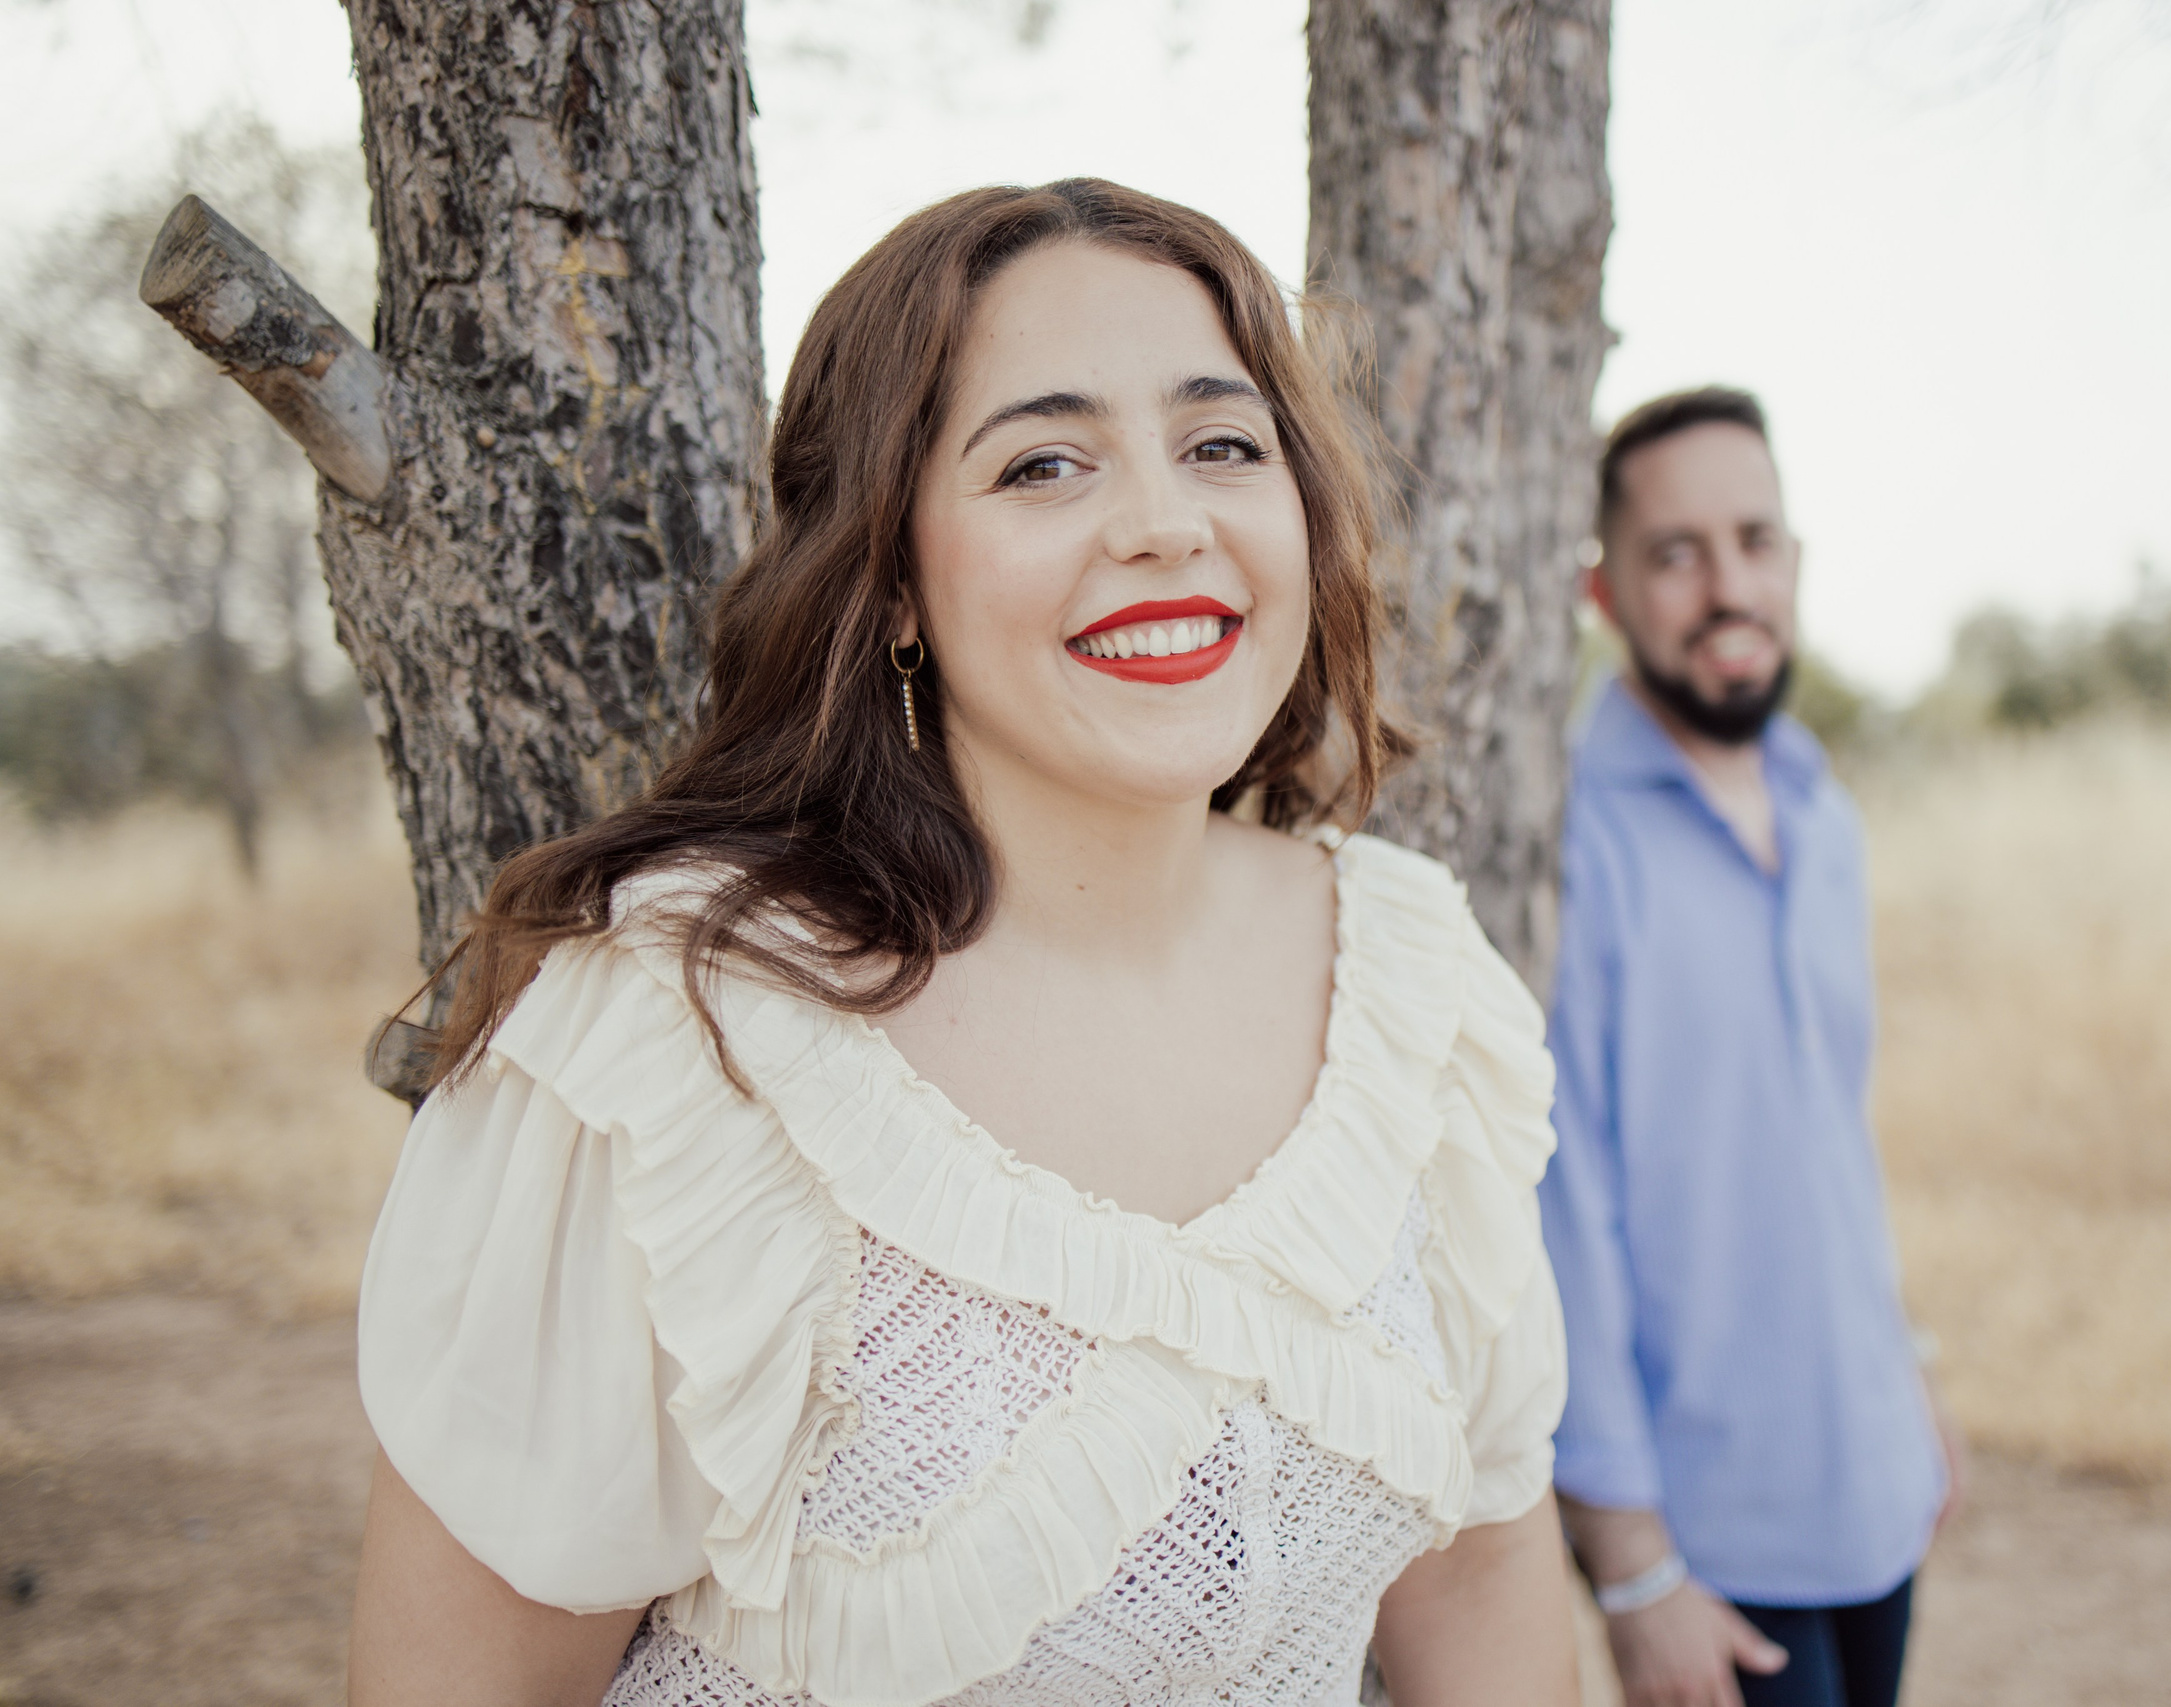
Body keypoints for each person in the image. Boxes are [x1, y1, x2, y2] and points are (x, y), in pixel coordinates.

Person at [346, 179, 1578, 1707]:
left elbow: (1485, 1562)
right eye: (1043, 464)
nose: (1163, 523)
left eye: (1222, 444)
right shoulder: (680, 1043)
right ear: (895, 580)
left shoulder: (1409, 981)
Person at [1539, 387, 1961, 1707]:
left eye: (1756, 541)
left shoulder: (1820, 808)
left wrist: (1910, 1386)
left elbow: (1827, 1135)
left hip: (1872, 1476)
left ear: (1795, 562)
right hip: (1711, 1537)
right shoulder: (1567, 843)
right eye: (1677, 554)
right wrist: (1632, 1566)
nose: (1729, 588)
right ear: (1603, 593)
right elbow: (1569, 1217)